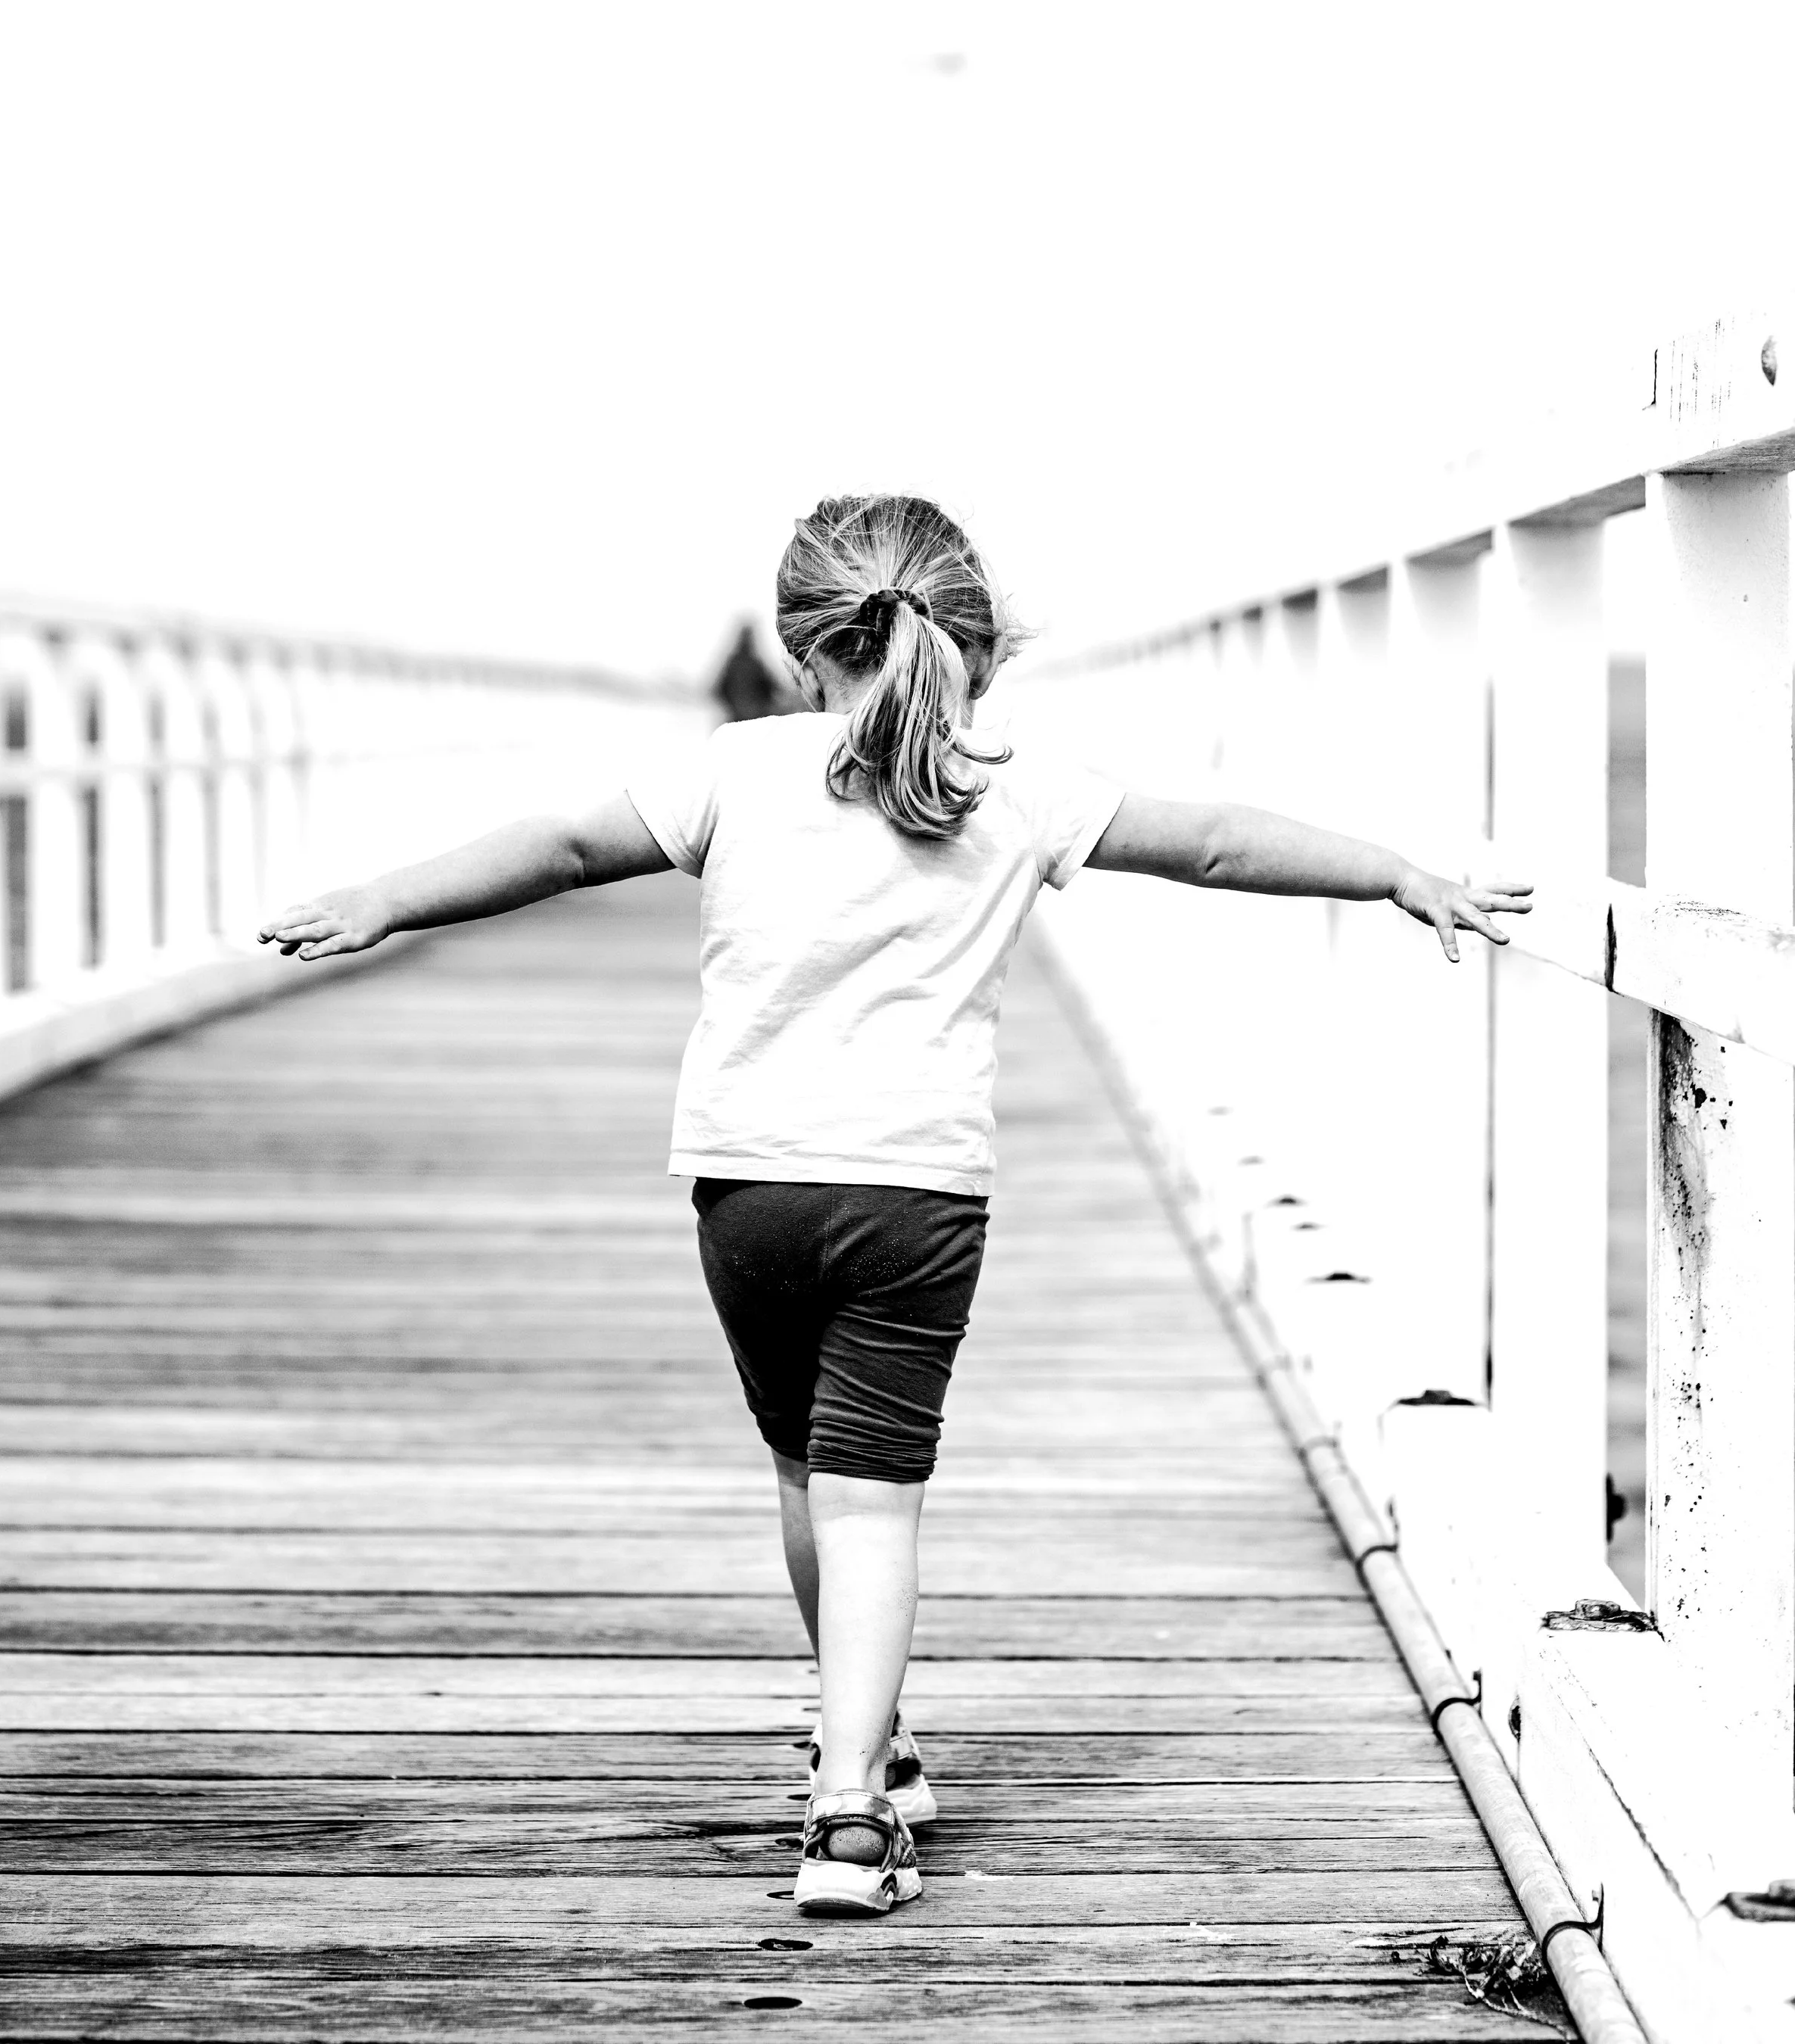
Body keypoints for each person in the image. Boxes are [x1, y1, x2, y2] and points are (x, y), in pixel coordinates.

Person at [259, 492, 1529, 1919]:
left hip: (748, 1186)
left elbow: (558, 849)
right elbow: (1220, 844)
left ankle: (860, 1737)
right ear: (972, 643)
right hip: (916, 1194)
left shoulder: (738, 769)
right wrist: (1400, 875)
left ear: (806, 648)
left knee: (808, 1477)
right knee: (879, 1503)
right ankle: (852, 1814)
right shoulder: (1015, 782)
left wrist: (387, 899)